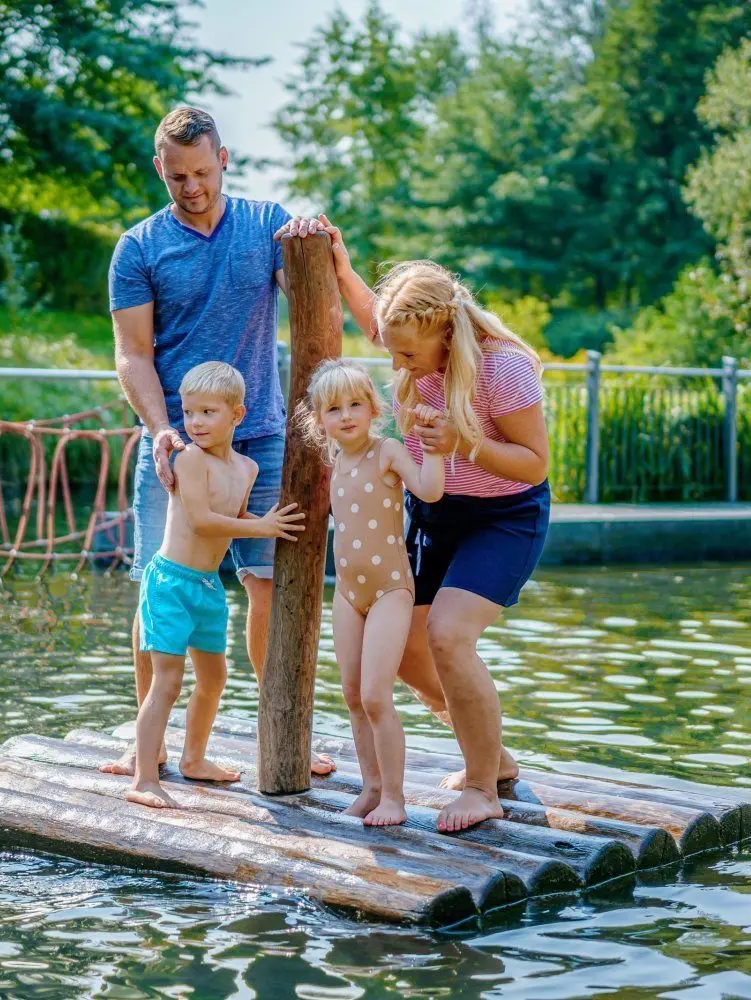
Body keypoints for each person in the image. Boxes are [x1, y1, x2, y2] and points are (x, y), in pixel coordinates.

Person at [278, 219, 551, 833]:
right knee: (401, 651)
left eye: (405, 352)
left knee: (449, 637)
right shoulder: (410, 336)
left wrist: (465, 443)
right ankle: (494, 754)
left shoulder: (504, 369)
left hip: (503, 515)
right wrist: (342, 266)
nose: (394, 361)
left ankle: (482, 787)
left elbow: (534, 467)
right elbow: (378, 318)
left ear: (444, 331)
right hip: (435, 510)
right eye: (391, 347)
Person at [108, 105, 337, 777]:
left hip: (261, 437)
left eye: (203, 172)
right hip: (175, 445)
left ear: (224, 160)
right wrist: (160, 430)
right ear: (161, 169)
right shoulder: (140, 247)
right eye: (178, 176)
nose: (193, 188)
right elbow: (132, 355)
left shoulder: (266, 225)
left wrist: (311, 237)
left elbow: (311, 295)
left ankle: (282, 728)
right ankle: (143, 738)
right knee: (160, 586)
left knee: (265, 584)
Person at [120, 361, 307, 809]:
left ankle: (194, 758)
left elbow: (234, 516)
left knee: (215, 677)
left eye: (208, 412)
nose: (196, 423)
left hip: (206, 586)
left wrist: (258, 522)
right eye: (189, 413)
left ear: (237, 415)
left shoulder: (246, 468)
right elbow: (202, 522)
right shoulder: (188, 461)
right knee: (168, 681)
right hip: (170, 583)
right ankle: (144, 778)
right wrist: (263, 528)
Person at [300, 360, 446, 826]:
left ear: (373, 408)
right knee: (351, 693)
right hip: (347, 593)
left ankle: (396, 799)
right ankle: (371, 786)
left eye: (356, 404)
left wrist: (434, 450)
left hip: (389, 590)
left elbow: (430, 490)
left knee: (377, 695)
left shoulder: (386, 451)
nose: (346, 416)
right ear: (319, 419)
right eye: (334, 409)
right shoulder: (335, 462)